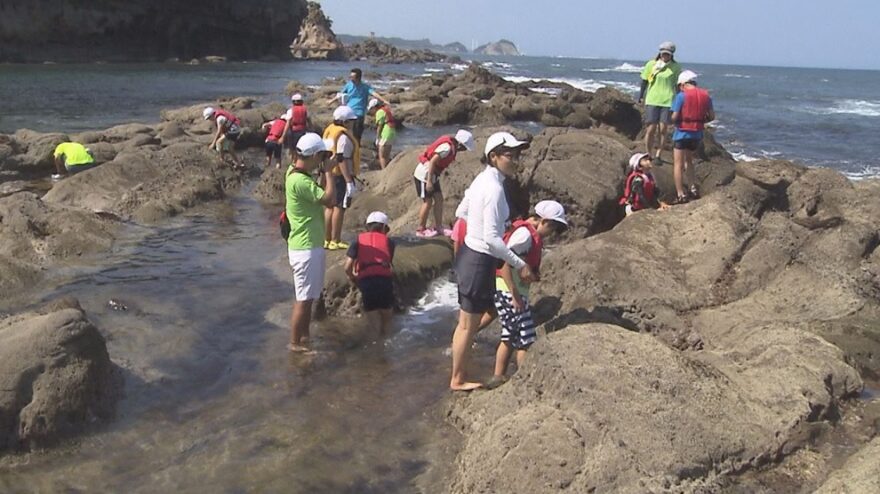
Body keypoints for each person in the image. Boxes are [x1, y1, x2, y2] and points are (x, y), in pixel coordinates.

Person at [450, 131, 535, 391]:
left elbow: (460, 211)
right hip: (478, 259)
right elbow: (492, 240)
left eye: (517, 154)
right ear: (493, 156)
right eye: (510, 155)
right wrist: (521, 264)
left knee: (466, 324)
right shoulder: (495, 189)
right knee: (467, 326)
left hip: (469, 255)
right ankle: (458, 379)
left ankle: (459, 373)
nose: (515, 160)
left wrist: (482, 226)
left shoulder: (481, 181)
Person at [489, 200, 568, 386]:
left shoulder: (530, 238)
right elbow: (504, 264)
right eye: (553, 227)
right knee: (519, 336)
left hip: (512, 291)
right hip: (508, 291)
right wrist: (514, 295)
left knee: (516, 335)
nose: (552, 233)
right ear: (544, 221)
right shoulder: (524, 236)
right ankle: (514, 379)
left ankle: (506, 377)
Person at [285, 132, 337, 353]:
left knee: (308, 298)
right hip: (305, 247)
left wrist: (321, 170)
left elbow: (319, 195)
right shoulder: (301, 180)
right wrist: (329, 173)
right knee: (303, 300)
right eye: (322, 154)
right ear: (315, 156)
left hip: (306, 244)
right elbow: (329, 200)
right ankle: (295, 345)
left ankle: (304, 338)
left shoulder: (293, 172)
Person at [413, 129, 475, 238]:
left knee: (439, 199)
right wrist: (429, 182)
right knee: (428, 202)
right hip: (424, 174)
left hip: (433, 175)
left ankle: (439, 227)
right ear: (460, 144)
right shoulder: (447, 148)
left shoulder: (452, 147)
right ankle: (420, 229)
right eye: (465, 147)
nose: (464, 150)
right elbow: (432, 161)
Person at [344, 211, 396, 336]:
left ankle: (375, 350)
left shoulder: (357, 241)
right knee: (387, 318)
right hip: (384, 282)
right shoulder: (390, 243)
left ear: (367, 228)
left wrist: (353, 277)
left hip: (367, 282)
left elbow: (347, 266)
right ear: (384, 228)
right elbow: (388, 263)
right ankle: (386, 345)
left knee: (373, 322)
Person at [670, 70, 715, 204]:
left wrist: (673, 121)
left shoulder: (681, 96)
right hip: (697, 134)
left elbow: (674, 117)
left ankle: (680, 194)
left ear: (683, 84)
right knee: (689, 161)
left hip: (682, 133)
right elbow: (712, 116)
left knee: (678, 164)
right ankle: (692, 188)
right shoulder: (706, 96)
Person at [322, 105, 360, 250]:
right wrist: (349, 181)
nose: (353, 123)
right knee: (339, 207)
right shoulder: (343, 137)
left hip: (329, 173)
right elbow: (341, 158)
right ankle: (335, 240)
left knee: (330, 207)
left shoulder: (330, 131)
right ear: (345, 122)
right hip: (341, 176)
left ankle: (326, 239)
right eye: (351, 121)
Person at [638, 41, 682, 163]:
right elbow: (644, 81)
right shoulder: (651, 64)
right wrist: (641, 96)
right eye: (663, 53)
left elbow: (678, 86)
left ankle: (658, 154)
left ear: (671, 55)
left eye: (667, 54)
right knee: (651, 128)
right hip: (652, 99)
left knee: (663, 129)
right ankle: (648, 153)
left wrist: (680, 101)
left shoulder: (676, 67)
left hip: (668, 101)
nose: (665, 56)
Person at [327, 68, 390, 143]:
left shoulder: (365, 87)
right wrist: (331, 101)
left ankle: (357, 149)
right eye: (350, 77)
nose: (351, 79)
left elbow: (374, 93)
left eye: (353, 77)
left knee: (357, 135)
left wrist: (383, 100)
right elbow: (340, 95)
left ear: (359, 78)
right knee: (347, 134)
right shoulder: (349, 85)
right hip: (349, 113)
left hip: (359, 113)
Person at [367, 98, 397, 169]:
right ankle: (387, 169)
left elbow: (380, 126)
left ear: (374, 107)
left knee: (382, 156)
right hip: (392, 132)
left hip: (386, 133)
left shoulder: (379, 112)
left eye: (371, 109)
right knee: (387, 155)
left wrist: (377, 138)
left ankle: (384, 172)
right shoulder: (386, 110)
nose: (371, 111)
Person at [282, 93, 310, 163]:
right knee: (301, 149)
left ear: (293, 102)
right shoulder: (305, 109)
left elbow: (288, 124)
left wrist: (282, 136)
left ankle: (294, 162)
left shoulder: (291, 110)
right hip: (303, 131)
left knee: (293, 149)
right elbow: (308, 121)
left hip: (293, 132)